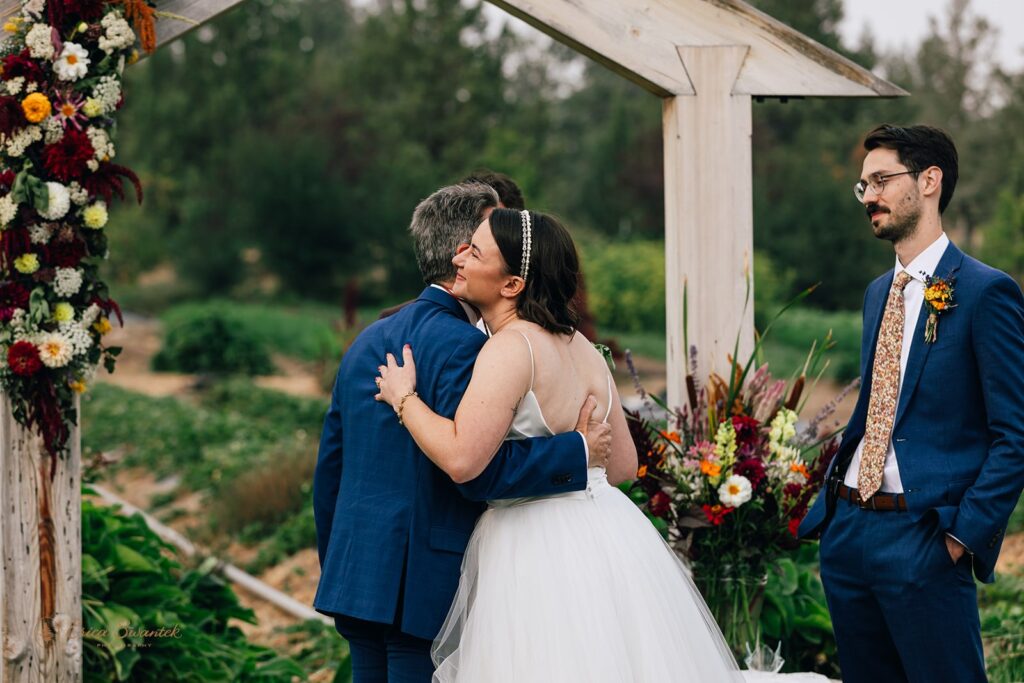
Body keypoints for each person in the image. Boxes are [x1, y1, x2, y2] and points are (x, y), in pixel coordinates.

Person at [375, 207, 745, 682]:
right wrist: (577, 452)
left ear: (511, 285)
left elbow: (463, 458)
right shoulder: (584, 348)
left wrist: (404, 397)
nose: (459, 257)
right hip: (610, 534)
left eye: (475, 251)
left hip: (532, 544)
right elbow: (623, 467)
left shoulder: (510, 348)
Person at [312, 182, 613, 683]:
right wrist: (575, 452)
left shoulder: (369, 338)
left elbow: (331, 467)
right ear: (460, 255)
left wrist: (341, 559)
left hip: (356, 573)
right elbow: (476, 469)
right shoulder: (470, 347)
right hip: (424, 585)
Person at [798, 124, 1024, 683]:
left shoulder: (985, 292)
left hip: (923, 539)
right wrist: (835, 519)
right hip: (849, 533)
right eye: (863, 185)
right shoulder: (879, 293)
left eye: (880, 180)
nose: (869, 195)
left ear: (929, 181)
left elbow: (1015, 435)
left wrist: (958, 539)